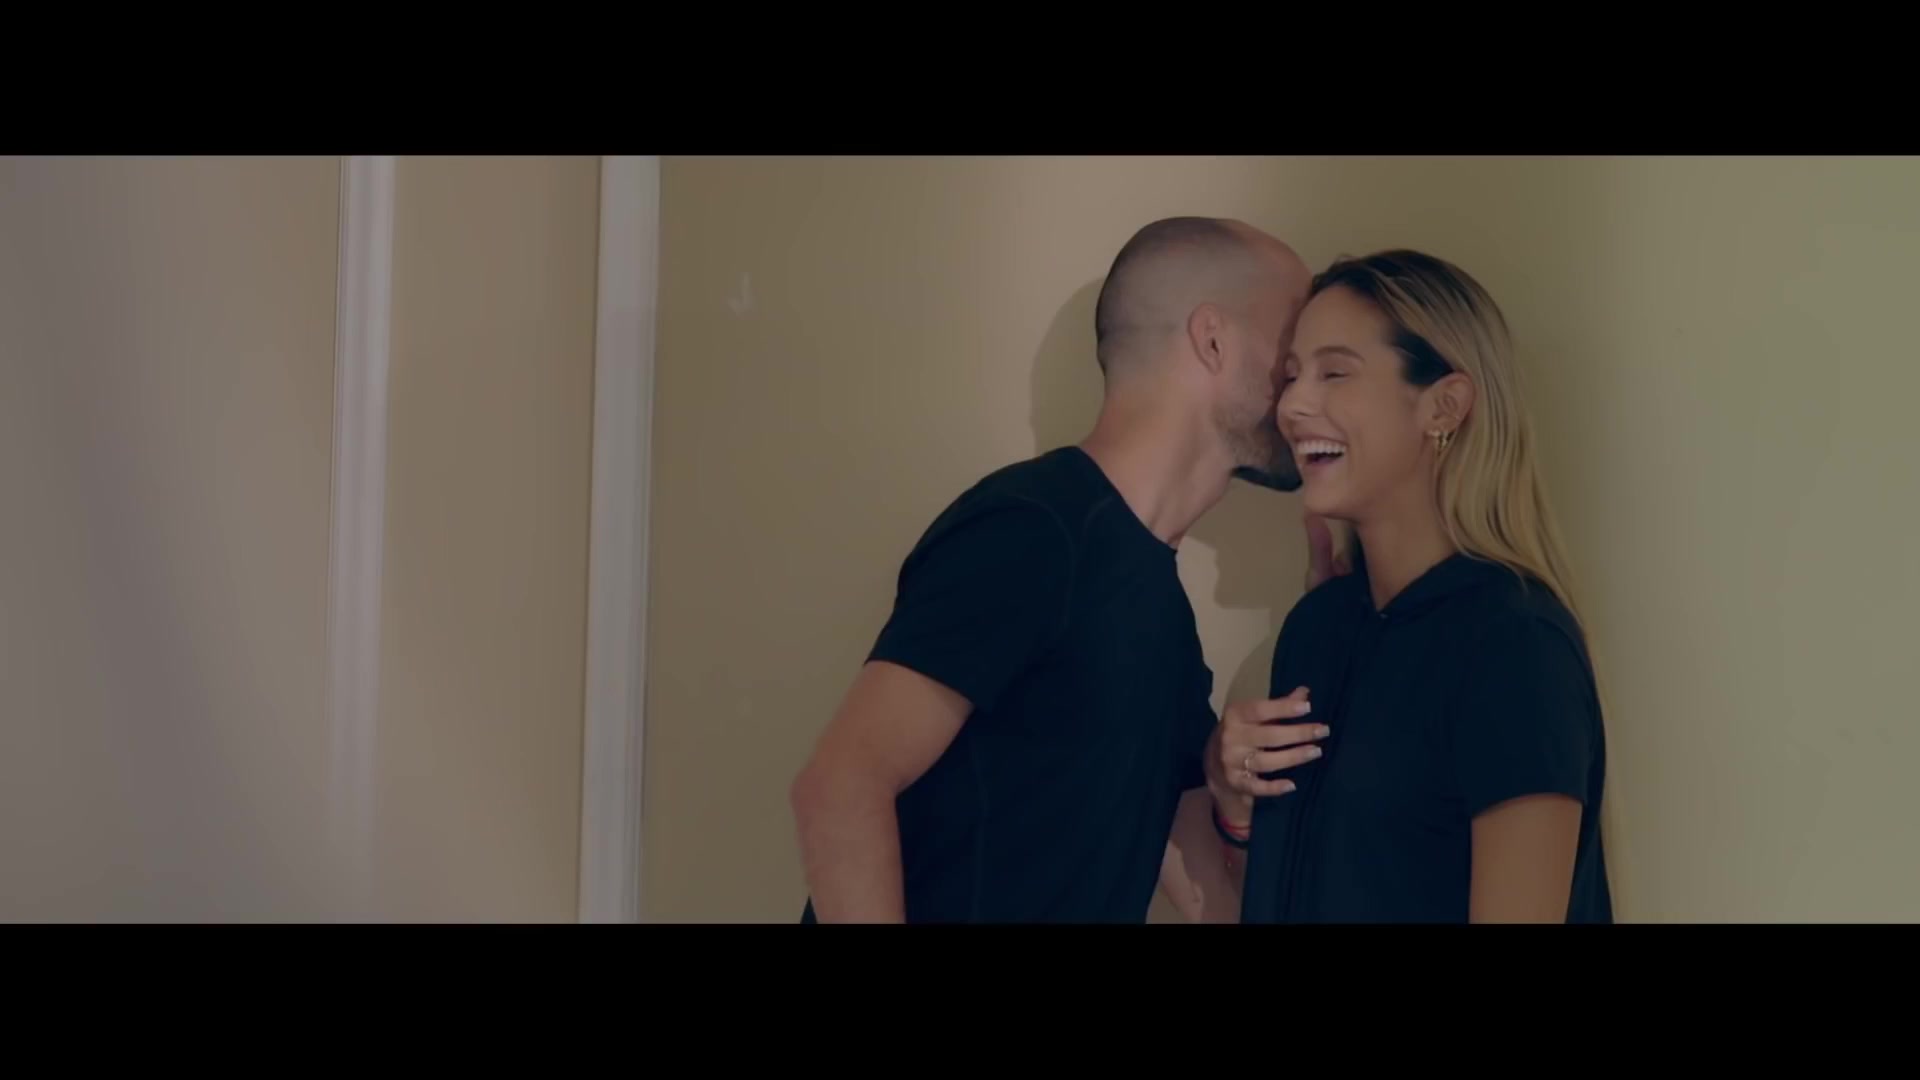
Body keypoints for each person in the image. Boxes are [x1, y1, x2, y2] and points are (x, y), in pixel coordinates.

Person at [789, 217, 1330, 923]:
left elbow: (1205, 886)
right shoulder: (1032, 528)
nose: (1304, 386)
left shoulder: (1158, 603)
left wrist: (1333, 631)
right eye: (1292, 348)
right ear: (1213, 340)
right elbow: (841, 786)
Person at [1208, 249, 1614, 923]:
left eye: (1335, 372)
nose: (1293, 404)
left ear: (1444, 406)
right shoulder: (1317, 629)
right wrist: (1232, 799)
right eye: (1292, 375)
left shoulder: (1516, 646)